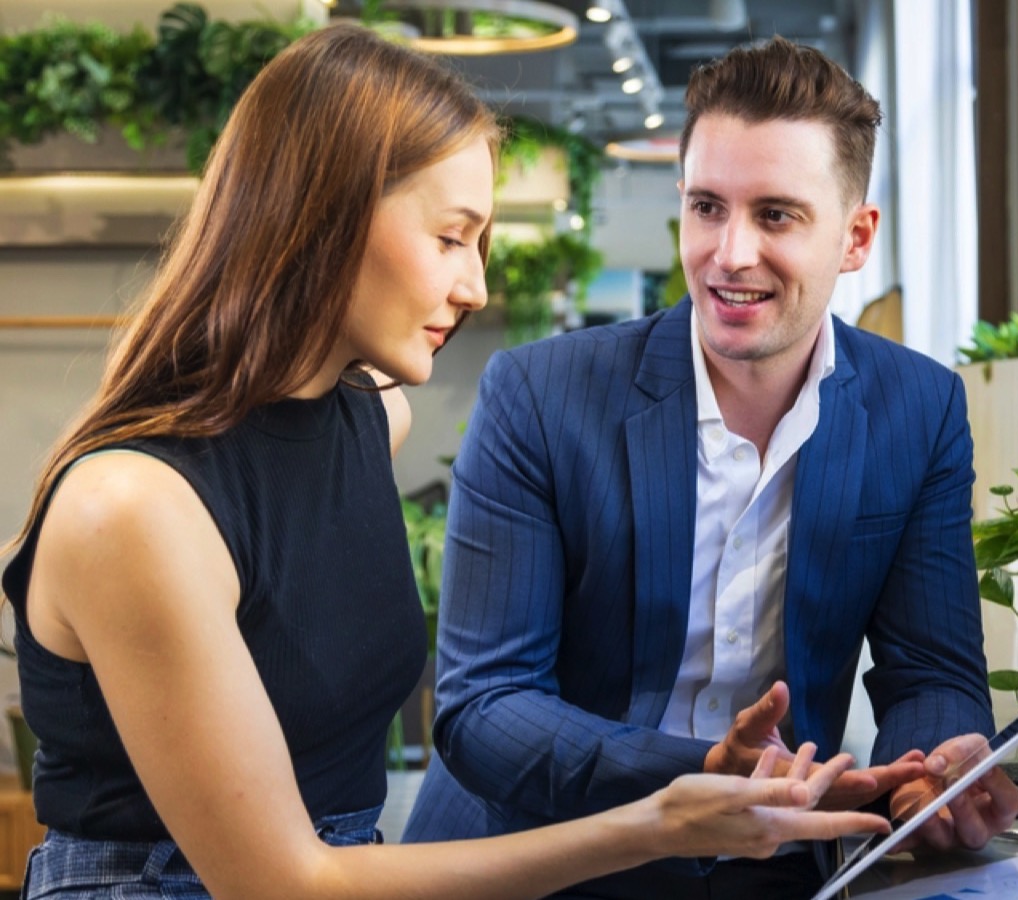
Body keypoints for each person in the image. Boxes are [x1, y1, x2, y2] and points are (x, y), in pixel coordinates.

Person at [0, 25, 891, 900]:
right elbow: (283, 882)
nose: (475, 285)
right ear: (324, 215)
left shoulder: (370, 418)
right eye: (450, 236)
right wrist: (655, 824)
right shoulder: (131, 507)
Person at [403, 36, 1018, 898]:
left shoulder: (918, 412)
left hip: (773, 866)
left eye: (776, 214)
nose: (730, 253)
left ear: (855, 237)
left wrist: (937, 765)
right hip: (544, 858)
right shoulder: (541, 396)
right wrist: (701, 769)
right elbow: (484, 707)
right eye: (706, 208)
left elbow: (934, 674)